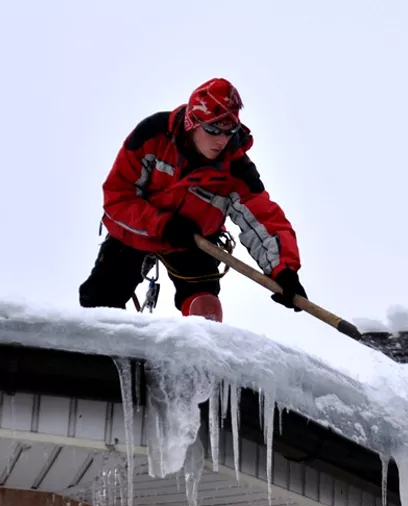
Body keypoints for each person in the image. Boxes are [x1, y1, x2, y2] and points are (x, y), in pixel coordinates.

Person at [79, 77, 307, 322]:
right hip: (137, 231)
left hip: (195, 241)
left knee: (205, 309)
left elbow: (265, 219)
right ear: (192, 122)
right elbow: (117, 197)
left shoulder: (237, 170)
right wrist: (162, 224)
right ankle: (104, 352)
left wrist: (283, 270)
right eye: (213, 130)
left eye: (229, 131)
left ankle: (194, 355)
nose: (222, 140)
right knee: (99, 299)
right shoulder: (152, 135)